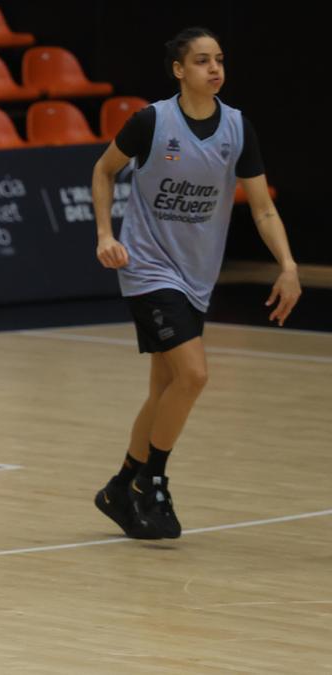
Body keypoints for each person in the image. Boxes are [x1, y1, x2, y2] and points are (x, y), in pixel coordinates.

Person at [91, 27, 301, 539]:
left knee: (166, 388)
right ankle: (152, 481)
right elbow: (103, 171)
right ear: (179, 71)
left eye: (220, 60)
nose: (214, 68)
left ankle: (120, 486)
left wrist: (289, 266)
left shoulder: (236, 128)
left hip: (197, 274)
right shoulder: (151, 122)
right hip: (147, 268)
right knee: (194, 375)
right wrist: (104, 235)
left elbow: (263, 207)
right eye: (202, 61)